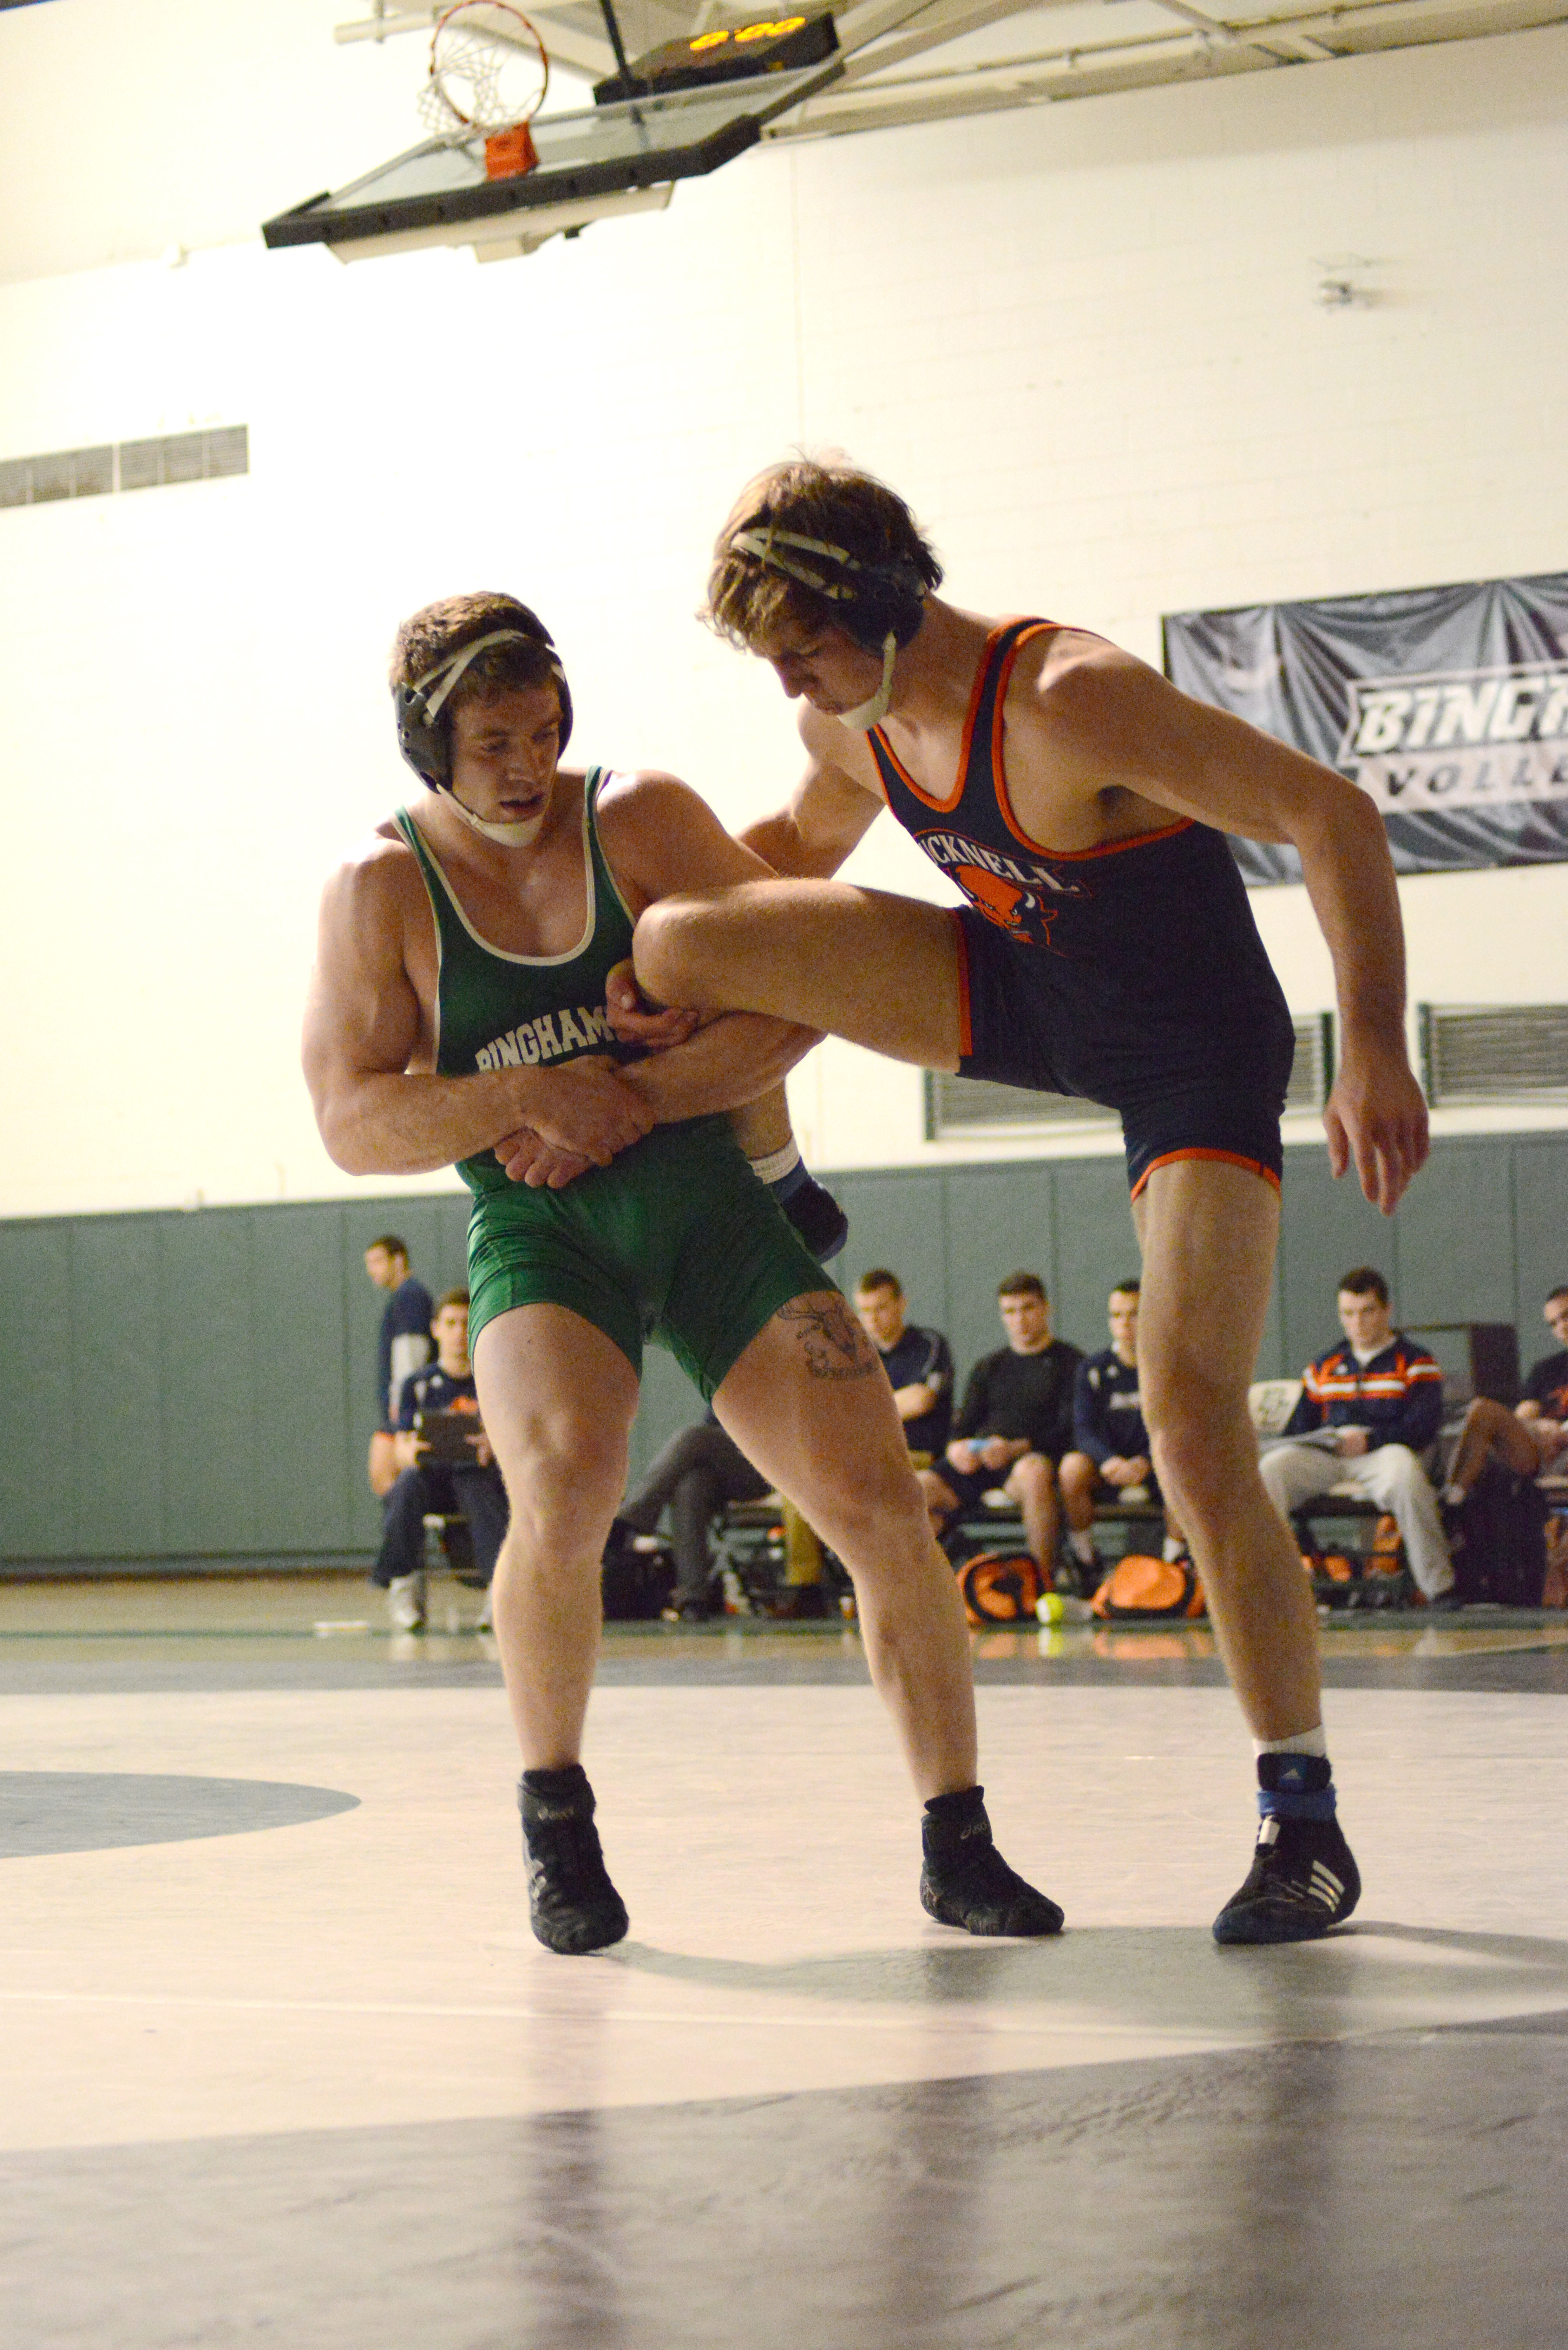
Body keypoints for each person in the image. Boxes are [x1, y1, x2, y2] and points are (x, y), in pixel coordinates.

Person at [628, 456, 1432, 1945]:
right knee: (679, 938)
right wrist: (616, 957)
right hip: (1014, 990)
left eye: (802, 647)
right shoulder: (844, 718)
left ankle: (1302, 1823)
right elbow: (785, 862)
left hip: (1192, 1051)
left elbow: (1330, 815)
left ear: (882, 599)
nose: (789, 682)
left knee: (1185, 1418)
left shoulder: (1069, 696)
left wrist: (1372, 1042)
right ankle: (781, 1189)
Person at [302, 590, 1058, 1956]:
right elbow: (351, 1121)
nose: (525, 768)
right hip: (542, 1231)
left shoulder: (640, 816)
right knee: (563, 1491)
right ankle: (557, 1823)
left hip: (708, 1203)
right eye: (491, 745)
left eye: (542, 732)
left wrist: (633, 1095)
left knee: (881, 1504)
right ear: (428, 746)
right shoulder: (381, 888)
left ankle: (960, 1839)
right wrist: (526, 1093)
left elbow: (814, 981)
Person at [1259, 1267, 1455, 1606]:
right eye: (1348, 1314)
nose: (1357, 1323)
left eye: (1367, 1311)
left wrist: (1371, 1441)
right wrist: (1315, 1440)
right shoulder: (1324, 1365)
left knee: (1406, 1475)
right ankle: (1272, 1586)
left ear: (1387, 1311)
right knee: (1271, 1470)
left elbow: (1422, 1425)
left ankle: (1438, 1586)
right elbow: (1299, 1426)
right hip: (1330, 1453)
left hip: (1384, 1451)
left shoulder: (1415, 1361)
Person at [921, 1275, 1080, 1572]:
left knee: (1033, 1472)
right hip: (981, 1462)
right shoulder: (989, 1366)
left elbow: (1070, 1430)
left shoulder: (1070, 1363)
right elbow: (961, 1428)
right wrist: (958, 1449)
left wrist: (1016, 1448)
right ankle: (944, 1568)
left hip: (1028, 1461)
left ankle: (1041, 1580)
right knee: (916, 1490)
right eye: (1010, 1311)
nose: (1019, 1320)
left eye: (1027, 1308)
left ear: (1046, 1308)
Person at [374, 1287, 508, 1632]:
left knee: (478, 1482)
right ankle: (402, 1584)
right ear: (436, 1329)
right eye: (450, 1323)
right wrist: (409, 1452)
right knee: (407, 1483)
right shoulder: (417, 1385)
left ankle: (499, 1591)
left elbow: (514, 1440)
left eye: (466, 1323)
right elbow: (401, 1443)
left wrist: (494, 1445)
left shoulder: (494, 1381)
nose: (459, 1332)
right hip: (432, 1480)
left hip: (477, 1478)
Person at [1058, 1278, 1187, 1586]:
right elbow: (1083, 1429)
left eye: (1134, 1314)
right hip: (1110, 1467)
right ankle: (1086, 1560)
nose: (1124, 1323)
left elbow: (1176, 1427)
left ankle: (1174, 1565)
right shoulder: (1093, 1368)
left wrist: (1146, 1461)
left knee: (1183, 1467)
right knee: (1071, 1468)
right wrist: (1108, 1461)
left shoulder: (1170, 1367)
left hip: (1155, 1464)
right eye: (1116, 1315)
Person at [605, 1411, 770, 1619]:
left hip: (774, 1462)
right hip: (736, 1460)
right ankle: (694, 1598)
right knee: (691, 1486)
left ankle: (628, 1522)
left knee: (694, 1438)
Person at [1441, 1286, 1568, 1505]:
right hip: (1544, 1452)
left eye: (1566, 1317)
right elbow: (1523, 1418)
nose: (1562, 1328)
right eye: (1553, 1324)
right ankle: (1452, 1500)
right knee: (1483, 1410)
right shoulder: (1547, 1369)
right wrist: (1540, 1427)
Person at [853, 1269, 954, 1461]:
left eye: (881, 1308)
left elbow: (921, 1400)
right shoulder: (857, 1356)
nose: (873, 1319)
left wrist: (862, 1415)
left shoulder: (929, 1344)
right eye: (865, 1311)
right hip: (871, 1455)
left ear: (902, 1304)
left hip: (921, 1456)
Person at [364, 1234, 433, 1498]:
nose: (372, 1270)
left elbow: (411, 1356)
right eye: (369, 1263)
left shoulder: (410, 1296)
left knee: (390, 1480)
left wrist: (402, 1406)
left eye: (378, 1261)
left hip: (406, 1413)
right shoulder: (402, 1297)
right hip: (401, 1411)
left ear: (399, 1260)